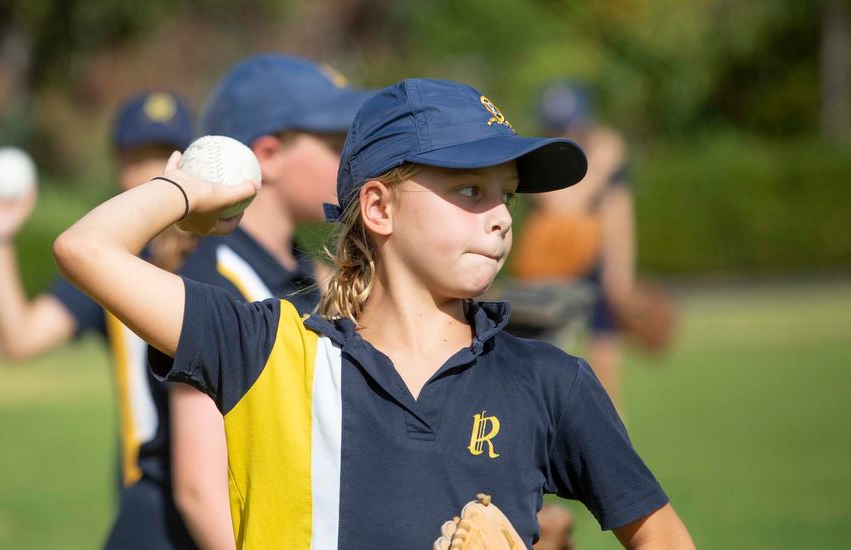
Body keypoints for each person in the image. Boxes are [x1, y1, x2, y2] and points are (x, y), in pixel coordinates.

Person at [53, 78, 694, 548]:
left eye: (508, 195)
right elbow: (84, 249)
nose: (500, 216)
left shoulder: (551, 382)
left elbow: (663, 536)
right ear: (379, 208)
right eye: (469, 189)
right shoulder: (265, 350)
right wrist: (187, 192)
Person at [0, 91, 199, 548]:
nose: (152, 172)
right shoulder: (112, 268)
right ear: (119, 167)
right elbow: (20, 339)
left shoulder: (223, 258)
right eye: (138, 158)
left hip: (229, 490)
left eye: (163, 156)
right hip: (147, 499)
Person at [167, 54, 371, 548]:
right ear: (268, 154)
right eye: (332, 144)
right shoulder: (214, 277)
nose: (352, 158)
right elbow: (198, 489)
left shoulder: (298, 265)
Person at [511, 82, 635, 404]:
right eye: (557, 126)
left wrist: (620, 273)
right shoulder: (538, 157)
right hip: (551, 267)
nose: (565, 133)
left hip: (596, 262)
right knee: (545, 364)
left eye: (569, 125)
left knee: (607, 372)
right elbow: (563, 204)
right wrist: (602, 167)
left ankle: (609, 439)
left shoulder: (605, 148)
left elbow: (619, 212)